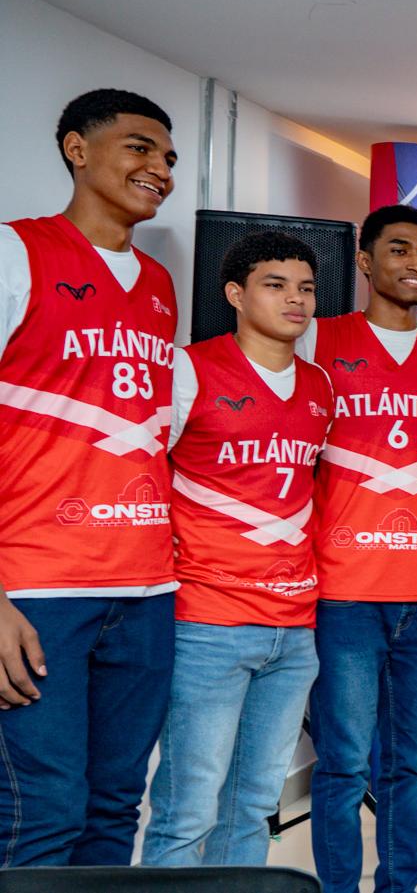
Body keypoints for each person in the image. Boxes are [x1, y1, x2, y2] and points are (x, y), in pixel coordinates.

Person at [0, 88, 180, 866]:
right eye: (139, 147)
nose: (159, 168)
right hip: (38, 590)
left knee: (114, 809)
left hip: (146, 589)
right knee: (41, 814)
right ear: (77, 148)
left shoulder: (161, 285)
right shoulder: (16, 251)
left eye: (168, 157)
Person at [141, 230, 334, 865]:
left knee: (253, 807)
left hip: (293, 628)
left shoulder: (320, 386)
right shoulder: (189, 370)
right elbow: (141, 472)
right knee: (189, 809)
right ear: (235, 294)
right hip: (208, 623)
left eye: (305, 288)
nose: (295, 300)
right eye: (275, 285)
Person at [302, 203, 417, 893]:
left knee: (410, 761)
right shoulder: (319, 337)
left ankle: (399, 884)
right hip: (344, 591)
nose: (416, 264)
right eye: (400, 249)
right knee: (344, 763)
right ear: (366, 262)